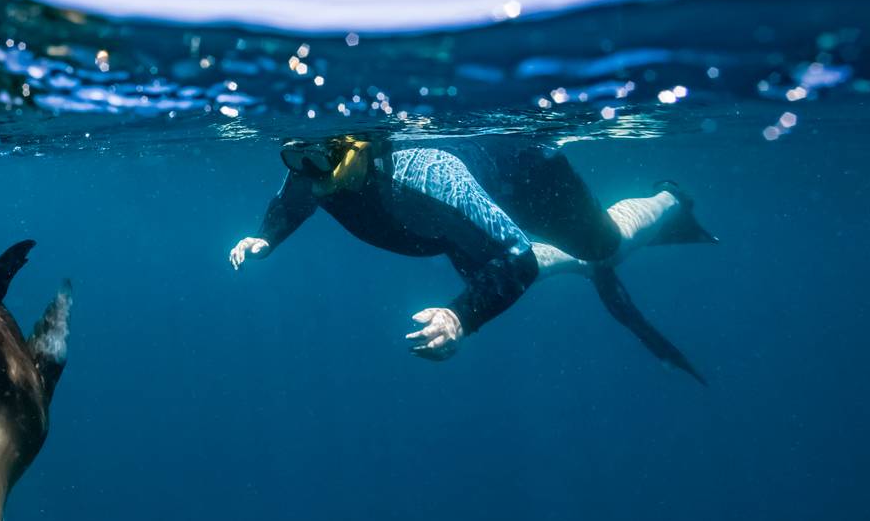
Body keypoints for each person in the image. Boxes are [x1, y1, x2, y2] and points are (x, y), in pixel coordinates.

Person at [228, 135, 716, 382]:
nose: (311, 173)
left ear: (358, 149)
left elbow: (519, 260)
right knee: (493, 262)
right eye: (300, 160)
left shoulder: (427, 175)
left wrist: (460, 315)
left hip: (531, 178)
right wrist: (265, 237)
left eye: (323, 159)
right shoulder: (316, 172)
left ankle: (671, 200)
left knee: (605, 247)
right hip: (455, 230)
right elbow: (294, 200)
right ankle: (584, 265)